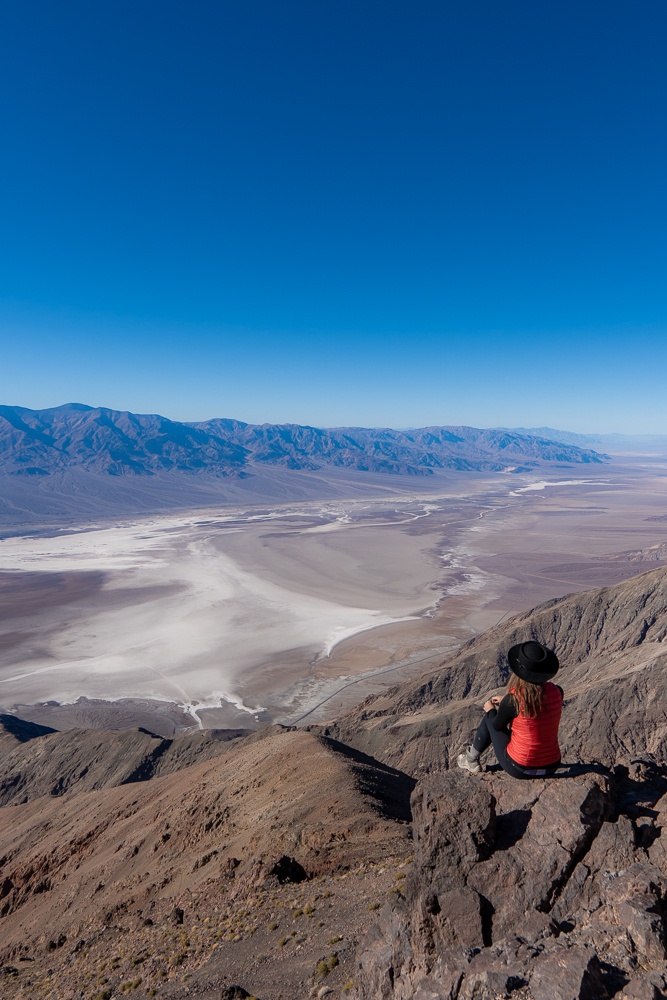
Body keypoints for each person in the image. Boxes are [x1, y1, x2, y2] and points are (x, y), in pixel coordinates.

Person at [457, 640, 563, 778]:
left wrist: (490, 710)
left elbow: (496, 725)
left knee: (489, 719)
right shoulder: (557, 692)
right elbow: (538, 708)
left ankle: (471, 759)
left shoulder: (514, 700)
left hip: (520, 768)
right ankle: (471, 758)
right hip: (552, 766)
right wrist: (506, 701)